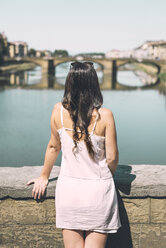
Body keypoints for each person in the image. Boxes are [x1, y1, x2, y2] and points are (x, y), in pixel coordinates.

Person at [27, 61, 121, 248]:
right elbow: (111, 159)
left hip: (69, 192)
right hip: (98, 193)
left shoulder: (57, 112)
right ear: (94, 84)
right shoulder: (105, 115)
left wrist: (44, 176)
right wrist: (101, 176)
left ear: (69, 83)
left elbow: (53, 147)